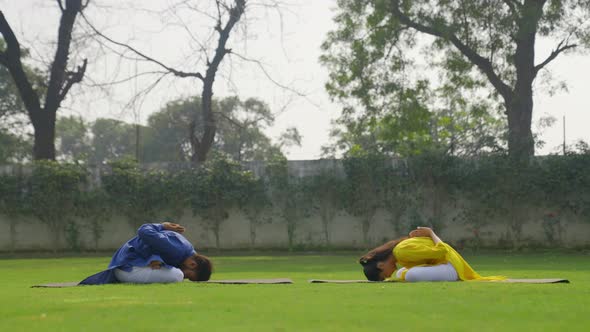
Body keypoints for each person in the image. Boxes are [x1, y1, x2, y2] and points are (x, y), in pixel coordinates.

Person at [80, 222, 212, 285]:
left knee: (176, 273)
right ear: (193, 264)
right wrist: (162, 226)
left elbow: (154, 248)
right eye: (189, 276)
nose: (185, 277)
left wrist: (154, 258)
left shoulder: (186, 251)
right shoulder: (177, 249)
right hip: (127, 269)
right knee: (177, 275)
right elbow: (143, 231)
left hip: (129, 266)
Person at [359, 226, 505, 282]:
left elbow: (442, 250)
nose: (388, 276)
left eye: (385, 275)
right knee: (401, 273)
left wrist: (430, 232)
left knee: (410, 275)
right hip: (441, 264)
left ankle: (455, 276)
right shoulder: (400, 256)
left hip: (450, 265)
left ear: (380, 264)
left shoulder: (401, 251)